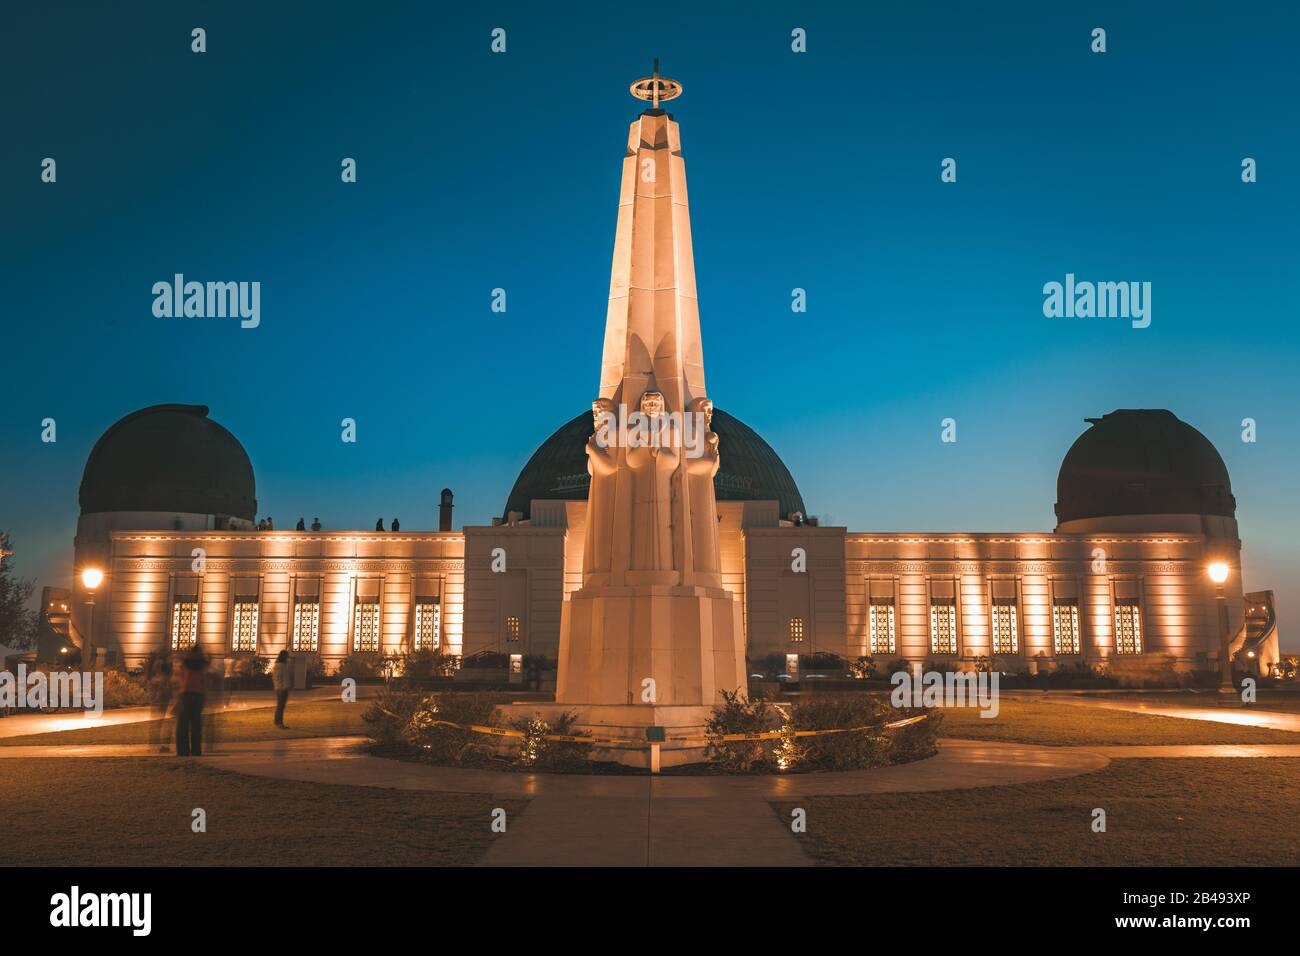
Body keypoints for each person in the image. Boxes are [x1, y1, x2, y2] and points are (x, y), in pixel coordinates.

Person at [174, 646, 209, 756]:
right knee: (196, 724)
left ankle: (183, 750)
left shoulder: (185, 663)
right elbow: (204, 680)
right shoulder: (202, 664)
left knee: (183, 725)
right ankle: (196, 750)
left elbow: (181, 680)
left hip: (186, 694)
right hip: (198, 694)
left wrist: (178, 697)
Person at [272, 650, 292, 728]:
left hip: (278, 688)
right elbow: (285, 678)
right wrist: (287, 686)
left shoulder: (276, 665)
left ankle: (277, 721)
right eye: (287, 656)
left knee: (279, 706)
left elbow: (275, 678)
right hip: (283, 689)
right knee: (281, 706)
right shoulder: (283, 666)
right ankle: (280, 723)